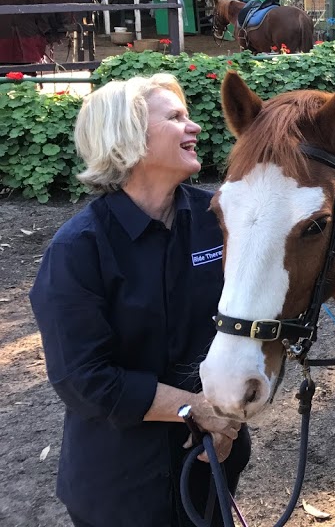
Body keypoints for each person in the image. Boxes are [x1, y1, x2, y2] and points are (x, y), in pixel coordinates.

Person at [30, 74, 250, 527]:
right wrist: (193, 410)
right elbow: (83, 378)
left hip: (211, 466)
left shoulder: (220, 223)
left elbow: (247, 328)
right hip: (121, 485)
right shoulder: (78, 250)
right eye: (175, 118)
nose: (195, 128)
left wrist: (229, 419)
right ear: (126, 137)